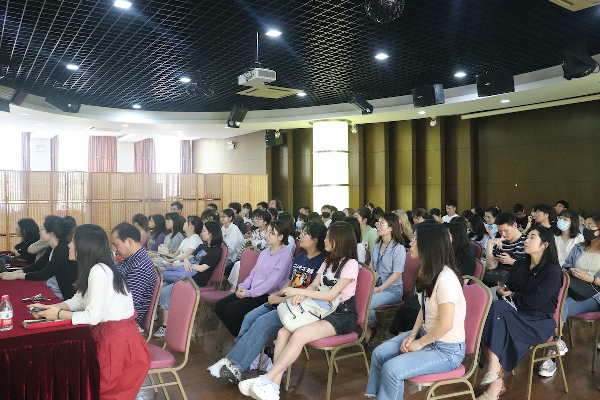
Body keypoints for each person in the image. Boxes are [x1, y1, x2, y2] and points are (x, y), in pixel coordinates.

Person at [238, 222, 360, 400]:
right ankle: (274, 386)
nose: (325, 240)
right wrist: (303, 295)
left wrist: (299, 292)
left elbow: (331, 294)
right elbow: (314, 285)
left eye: (329, 237)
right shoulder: (328, 261)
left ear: (339, 239)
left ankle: (267, 379)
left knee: (299, 335)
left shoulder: (351, 264)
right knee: (283, 332)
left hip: (341, 315)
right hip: (320, 309)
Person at [28, 224, 151, 400]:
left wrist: (57, 314)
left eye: (73, 241)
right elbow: (79, 300)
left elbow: (92, 316)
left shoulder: (99, 271)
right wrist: (52, 308)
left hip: (118, 343)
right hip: (112, 336)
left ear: (85, 246)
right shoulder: (95, 268)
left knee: (97, 389)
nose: (69, 245)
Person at [208, 221, 327, 384]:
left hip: (297, 306)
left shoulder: (321, 262)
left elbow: (307, 292)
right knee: (249, 318)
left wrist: (278, 298)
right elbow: (290, 282)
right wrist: (277, 295)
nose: (300, 237)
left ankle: (234, 363)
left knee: (259, 321)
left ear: (315, 239)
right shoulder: (300, 257)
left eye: (304, 234)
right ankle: (248, 358)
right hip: (283, 300)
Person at [365, 222, 466, 400]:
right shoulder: (428, 272)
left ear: (428, 245)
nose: (410, 243)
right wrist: (412, 335)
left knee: (392, 370)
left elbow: (446, 324)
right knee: (379, 354)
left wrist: (419, 343)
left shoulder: (446, 279)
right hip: (426, 335)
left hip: (447, 350)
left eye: (415, 239)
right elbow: (423, 310)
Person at [478, 227, 562, 400]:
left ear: (545, 244)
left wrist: (513, 296)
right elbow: (509, 288)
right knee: (487, 317)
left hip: (539, 321)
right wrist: (502, 291)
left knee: (495, 313)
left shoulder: (552, 271)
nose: (526, 240)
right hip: (516, 312)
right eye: (527, 236)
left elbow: (535, 302)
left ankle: (495, 372)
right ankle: (495, 376)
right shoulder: (521, 264)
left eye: (532, 237)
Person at [538, 213, 600, 377]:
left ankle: (550, 355)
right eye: (585, 226)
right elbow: (565, 266)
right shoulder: (579, 247)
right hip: (573, 289)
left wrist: (591, 279)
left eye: (590, 226)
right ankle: (557, 342)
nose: (586, 229)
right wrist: (569, 271)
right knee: (552, 302)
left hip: (594, 296)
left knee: (560, 306)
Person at [215, 220, 293, 337]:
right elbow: (254, 273)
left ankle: (246, 338)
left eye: (271, 233)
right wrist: (243, 287)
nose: (267, 235)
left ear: (280, 237)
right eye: (267, 232)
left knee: (230, 311)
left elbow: (271, 283)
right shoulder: (265, 252)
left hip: (267, 295)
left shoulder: (285, 255)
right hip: (252, 290)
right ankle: (244, 336)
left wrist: (248, 293)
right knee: (219, 306)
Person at [154, 221, 224, 338]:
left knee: (165, 292)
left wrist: (190, 265)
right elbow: (189, 257)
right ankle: (162, 317)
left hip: (196, 280)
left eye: (204, 231)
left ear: (211, 233)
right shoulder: (202, 246)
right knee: (162, 287)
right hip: (186, 274)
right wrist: (187, 262)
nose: (201, 233)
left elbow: (202, 268)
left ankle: (166, 326)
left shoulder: (217, 251)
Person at [1, 215, 79, 300]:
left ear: (51, 233)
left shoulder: (62, 249)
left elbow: (45, 274)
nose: (39, 232)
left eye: (42, 229)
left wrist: (17, 276)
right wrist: (17, 272)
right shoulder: (53, 247)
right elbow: (38, 265)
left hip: (62, 294)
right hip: (51, 288)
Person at [365, 212, 406, 345]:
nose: (377, 226)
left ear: (391, 228)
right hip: (377, 285)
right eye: (377, 223)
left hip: (393, 290)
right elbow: (372, 266)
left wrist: (380, 289)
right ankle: (370, 325)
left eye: (381, 223)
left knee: (367, 302)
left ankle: (372, 326)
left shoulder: (398, 248)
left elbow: (396, 274)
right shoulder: (377, 245)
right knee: (356, 297)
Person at [111, 222, 157, 326]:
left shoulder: (139, 266)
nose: (114, 249)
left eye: (116, 245)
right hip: (119, 313)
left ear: (128, 241)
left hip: (125, 320)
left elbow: (127, 302)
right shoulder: (130, 259)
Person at [483, 212, 526, 288]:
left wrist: (511, 261)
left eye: (506, 230)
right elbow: (491, 266)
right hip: (496, 280)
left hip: (515, 281)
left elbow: (532, 267)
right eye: (500, 231)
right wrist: (489, 243)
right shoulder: (501, 243)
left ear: (515, 225)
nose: (503, 234)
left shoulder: (527, 243)